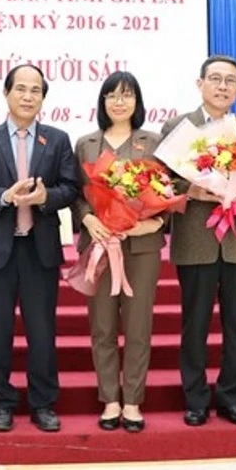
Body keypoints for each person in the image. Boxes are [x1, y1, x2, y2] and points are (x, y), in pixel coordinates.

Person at [0, 64, 79, 433]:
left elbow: (71, 188)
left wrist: (46, 198)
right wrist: (3, 196)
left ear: (43, 97)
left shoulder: (57, 139)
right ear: (6, 92)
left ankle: (43, 403)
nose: (28, 96)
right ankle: (1, 403)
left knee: (42, 330)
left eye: (35, 91)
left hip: (40, 248)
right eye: (21, 89)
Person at [160, 55, 236, 428]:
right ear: (200, 84)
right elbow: (161, 183)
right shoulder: (178, 127)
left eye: (230, 81)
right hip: (196, 241)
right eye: (215, 79)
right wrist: (190, 189)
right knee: (194, 325)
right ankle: (195, 400)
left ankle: (232, 399)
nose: (222, 86)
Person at [73, 71, 165, 433]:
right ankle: (110, 399)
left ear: (137, 102)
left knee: (139, 325)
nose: (119, 102)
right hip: (99, 245)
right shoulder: (86, 144)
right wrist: (88, 219)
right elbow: (76, 193)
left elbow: (170, 188)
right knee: (103, 325)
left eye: (127, 95)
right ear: (103, 102)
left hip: (141, 247)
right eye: (111, 95)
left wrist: (155, 223)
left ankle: (132, 401)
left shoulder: (153, 142)